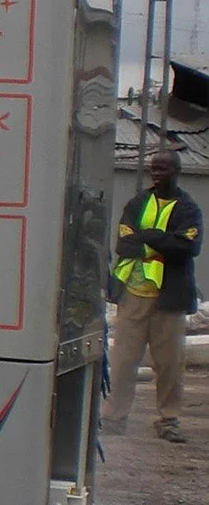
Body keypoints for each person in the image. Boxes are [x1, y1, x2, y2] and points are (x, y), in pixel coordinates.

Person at [101, 149, 202, 442]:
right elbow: (124, 244)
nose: (156, 174)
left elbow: (188, 248)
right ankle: (114, 417)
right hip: (132, 294)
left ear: (176, 171)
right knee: (122, 361)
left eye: (163, 169)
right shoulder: (138, 203)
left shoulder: (187, 208)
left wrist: (145, 236)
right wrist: (162, 242)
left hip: (168, 299)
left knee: (170, 363)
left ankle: (169, 420)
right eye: (153, 169)